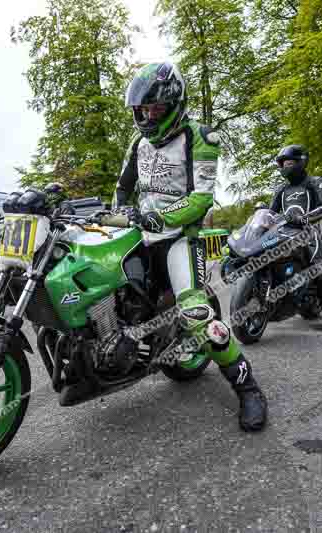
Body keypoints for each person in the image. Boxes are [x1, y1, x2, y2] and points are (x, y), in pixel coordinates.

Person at [113, 61, 267, 432]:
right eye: (142, 110)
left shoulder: (200, 136)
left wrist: (160, 219)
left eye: (156, 109)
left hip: (180, 238)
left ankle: (248, 388)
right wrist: (118, 212)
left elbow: (201, 199)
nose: (148, 117)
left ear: (175, 104)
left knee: (198, 316)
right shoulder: (137, 143)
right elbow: (122, 188)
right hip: (140, 236)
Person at [269, 144, 322, 332]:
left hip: (311, 230)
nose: (285, 167)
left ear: (302, 161)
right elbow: (270, 213)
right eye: (282, 164)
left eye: (289, 162)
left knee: (320, 268)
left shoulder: (315, 182)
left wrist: (305, 218)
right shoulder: (281, 189)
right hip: (286, 232)